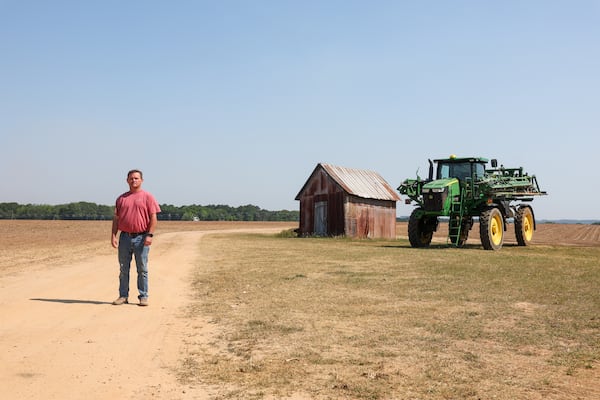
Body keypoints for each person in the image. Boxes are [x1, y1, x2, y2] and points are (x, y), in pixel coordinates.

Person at [111, 169, 161, 306]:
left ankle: (143, 296)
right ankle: (123, 296)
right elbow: (116, 219)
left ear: (142, 180)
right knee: (123, 268)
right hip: (125, 238)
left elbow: (153, 217)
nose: (134, 180)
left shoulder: (148, 197)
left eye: (136, 178)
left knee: (142, 268)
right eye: (131, 178)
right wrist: (113, 235)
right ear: (127, 180)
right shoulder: (121, 199)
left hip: (141, 237)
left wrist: (150, 235)